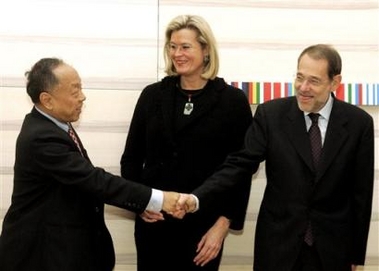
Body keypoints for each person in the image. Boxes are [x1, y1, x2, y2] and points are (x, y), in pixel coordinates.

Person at [179, 44, 375, 271]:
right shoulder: (271, 115)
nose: (303, 87)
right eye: (299, 77)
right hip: (278, 248)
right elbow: (239, 165)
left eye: (314, 81)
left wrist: (356, 256)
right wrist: (197, 197)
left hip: (333, 251)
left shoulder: (359, 124)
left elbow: (361, 195)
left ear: (335, 83)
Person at [0, 58, 182, 271]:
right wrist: (157, 199)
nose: (82, 97)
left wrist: (141, 205)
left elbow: (84, 183)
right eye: (74, 91)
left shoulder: (56, 124)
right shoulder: (41, 137)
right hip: (43, 254)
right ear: (47, 100)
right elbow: (93, 180)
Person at [120, 14, 253, 271]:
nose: (177, 54)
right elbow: (132, 158)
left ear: (205, 50)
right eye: (172, 47)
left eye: (185, 47)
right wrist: (139, 203)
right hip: (154, 223)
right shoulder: (152, 96)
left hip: (204, 229)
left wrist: (222, 226)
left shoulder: (232, 101)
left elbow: (242, 171)